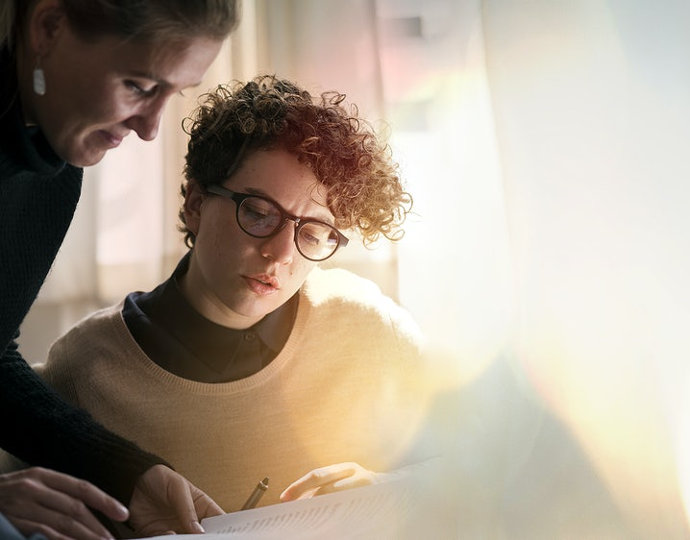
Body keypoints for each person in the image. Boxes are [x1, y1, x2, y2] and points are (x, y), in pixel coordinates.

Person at [27, 74, 438, 514]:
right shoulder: (84, 370)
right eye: (259, 213)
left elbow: (471, 470)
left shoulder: (367, 327)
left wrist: (383, 489)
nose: (279, 253)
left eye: (314, 232)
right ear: (196, 204)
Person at [0, 0, 239, 538]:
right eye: (137, 85)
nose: (151, 128)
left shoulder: (53, 164)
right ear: (49, 26)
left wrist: (130, 473)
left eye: (172, 93)